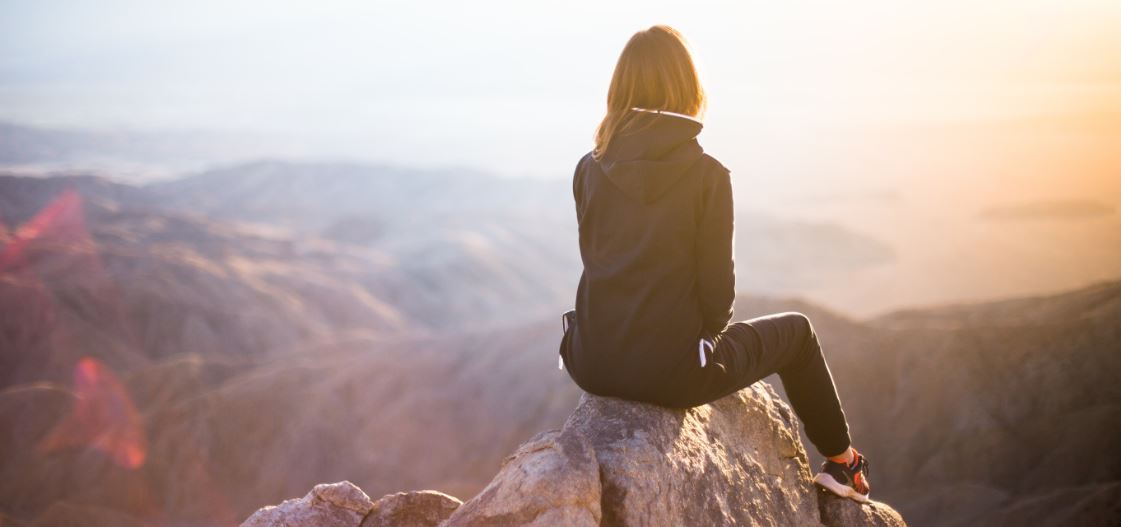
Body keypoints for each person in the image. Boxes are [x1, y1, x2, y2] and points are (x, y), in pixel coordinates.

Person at [557, 25, 871, 503]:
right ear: (687, 88)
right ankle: (843, 463)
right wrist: (693, 345)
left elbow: (598, 262)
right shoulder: (707, 176)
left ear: (619, 89)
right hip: (673, 374)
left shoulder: (588, 166)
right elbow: (718, 300)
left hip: (590, 361)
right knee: (799, 334)